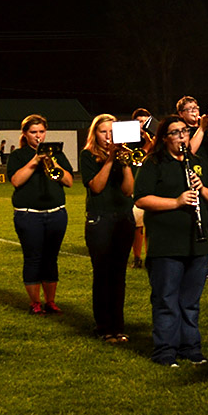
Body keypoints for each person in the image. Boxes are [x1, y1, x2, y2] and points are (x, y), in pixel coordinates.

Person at [134, 115, 208, 366]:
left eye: (184, 131)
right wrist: (176, 202)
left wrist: (201, 188)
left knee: (190, 302)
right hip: (166, 243)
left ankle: (191, 348)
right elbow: (140, 199)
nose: (182, 136)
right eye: (175, 132)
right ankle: (165, 351)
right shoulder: (154, 163)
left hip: (197, 241)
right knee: (166, 300)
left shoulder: (196, 162)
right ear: (164, 138)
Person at [6, 114, 73, 314]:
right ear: (25, 134)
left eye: (41, 132)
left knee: (51, 258)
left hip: (56, 213)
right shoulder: (19, 156)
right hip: (29, 215)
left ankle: (50, 301)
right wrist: (35, 161)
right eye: (33, 132)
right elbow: (16, 181)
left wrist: (54, 163)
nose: (38, 136)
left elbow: (68, 181)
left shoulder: (57, 154)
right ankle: (35, 302)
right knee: (33, 258)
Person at [82, 114, 136, 343]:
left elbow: (128, 190)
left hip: (123, 218)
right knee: (103, 274)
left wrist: (123, 162)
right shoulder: (88, 156)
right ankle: (103, 326)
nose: (108, 137)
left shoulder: (125, 156)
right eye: (103, 132)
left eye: (112, 132)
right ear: (95, 134)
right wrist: (111, 160)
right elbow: (96, 186)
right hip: (100, 220)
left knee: (119, 275)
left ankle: (118, 326)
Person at [177, 96, 208, 280]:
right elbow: (190, 151)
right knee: (194, 226)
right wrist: (201, 129)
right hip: (191, 183)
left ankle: (207, 266)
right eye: (189, 109)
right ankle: (191, 264)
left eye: (196, 107)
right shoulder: (181, 131)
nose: (194, 111)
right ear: (181, 114)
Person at [130, 108, 154, 269]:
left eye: (145, 121)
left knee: (151, 224)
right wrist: (148, 143)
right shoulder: (130, 140)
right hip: (133, 184)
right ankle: (137, 257)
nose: (142, 124)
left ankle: (150, 255)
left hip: (152, 185)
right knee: (137, 224)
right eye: (139, 121)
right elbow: (135, 157)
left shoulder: (157, 140)